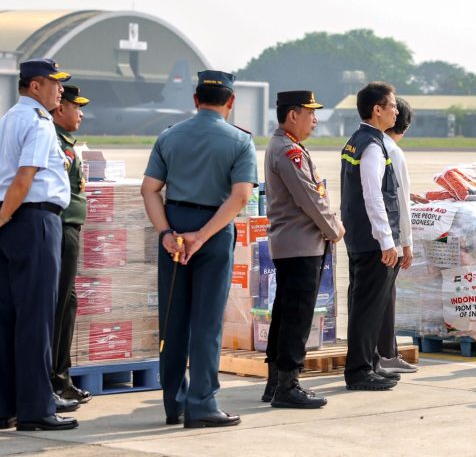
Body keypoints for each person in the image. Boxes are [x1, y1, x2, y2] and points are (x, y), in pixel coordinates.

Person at [141, 70, 257, 427]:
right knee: (206, 323)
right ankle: (202, 402)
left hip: (173, 230)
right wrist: (203, 236)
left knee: (173, 320)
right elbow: (241, 196)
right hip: (214, 232)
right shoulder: (239, 141)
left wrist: (166, 233)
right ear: (231, 102)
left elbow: (149, 189)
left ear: (195, 100)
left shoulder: (169, 136)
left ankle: (173, 403)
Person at [0, 58, 78, 431]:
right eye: (54, 83)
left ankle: (6, 405)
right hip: (33, 220)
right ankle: (36, 409)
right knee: (36, 319)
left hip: (11, 222)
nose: (59, 90)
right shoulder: (39, 123)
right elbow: (25, 178)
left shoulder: (8, 119)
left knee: (7, 318)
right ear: (35, 87)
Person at [262, 90, 345, 408]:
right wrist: (334, 229)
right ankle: (287, 385)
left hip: (294, 244)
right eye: (310, 113)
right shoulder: (288, 151)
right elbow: (309, 198)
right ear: (292, 115)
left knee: (285, 314)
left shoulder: (288, 147)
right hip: (300, 245)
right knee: (296, 316)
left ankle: (275, 382)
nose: (315, 119)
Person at [341, 82, 402, 391]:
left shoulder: (359, 141)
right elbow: (373, 196)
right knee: (367, 306)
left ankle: (371, 363)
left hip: (361, 239)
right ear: (377, 110)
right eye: (391, 105)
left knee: (367, 305)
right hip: (373, 242)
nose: (396, 110)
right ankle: (360, 371)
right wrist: (387, 241)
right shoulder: (372, 147)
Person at [50, 85, 92, 405]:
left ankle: (62, 376)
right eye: (76, 106)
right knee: (59, 306)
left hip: (70, 231)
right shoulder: (53, 139)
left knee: (68, 306)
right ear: (60, 107)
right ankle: (55, 379)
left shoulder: (67, 142)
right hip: (61, 230)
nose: (81, 113)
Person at [377, 97, 418, 374]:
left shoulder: (372, 146)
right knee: (385, 299)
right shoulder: (392, 151)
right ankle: (386, 354)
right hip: (387, 238)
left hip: (368, 236)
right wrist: (407, 244)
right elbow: (400, 201)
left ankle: (373, 353)